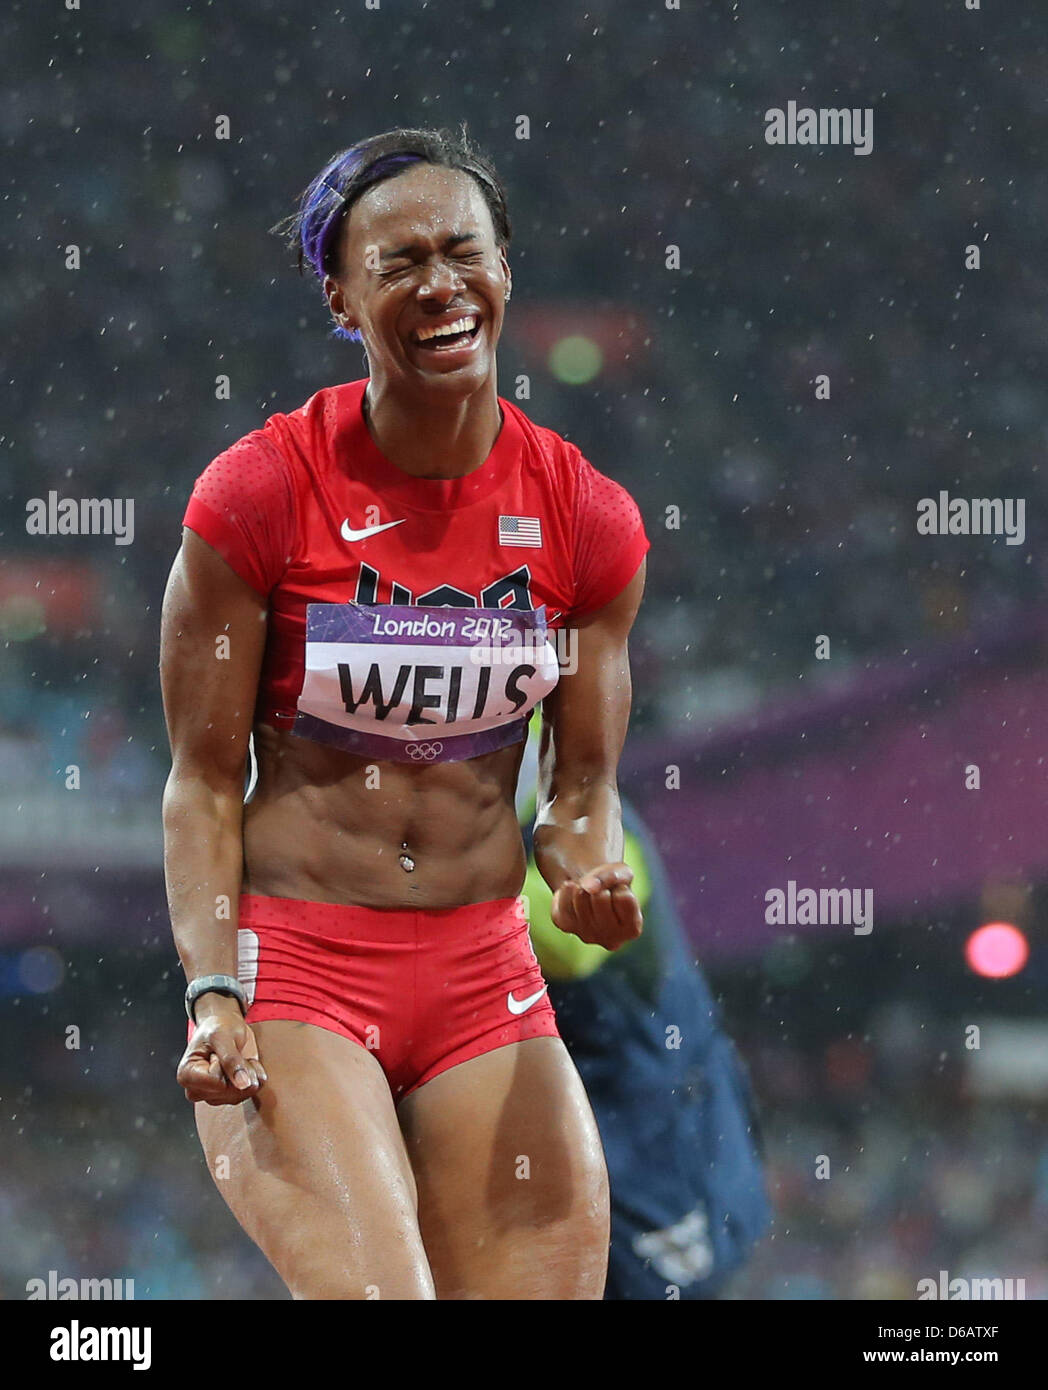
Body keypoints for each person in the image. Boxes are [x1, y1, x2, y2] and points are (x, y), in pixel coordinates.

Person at [159, 126, 650, 1300]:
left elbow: (579, 792)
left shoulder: (587, 520)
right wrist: (213, 987)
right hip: (301, 971)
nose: (440, 284)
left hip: (485, 969)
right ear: (338, 293)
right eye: (397, 263)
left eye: (460, 250)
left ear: (503, 269)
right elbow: (200, 781)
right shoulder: (262, 493)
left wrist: (587, 868)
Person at [516, 715, 771, 1298]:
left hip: (659, 1141)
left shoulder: (602, 830)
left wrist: (436, 881)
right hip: (595, 1144)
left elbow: (570, 942)